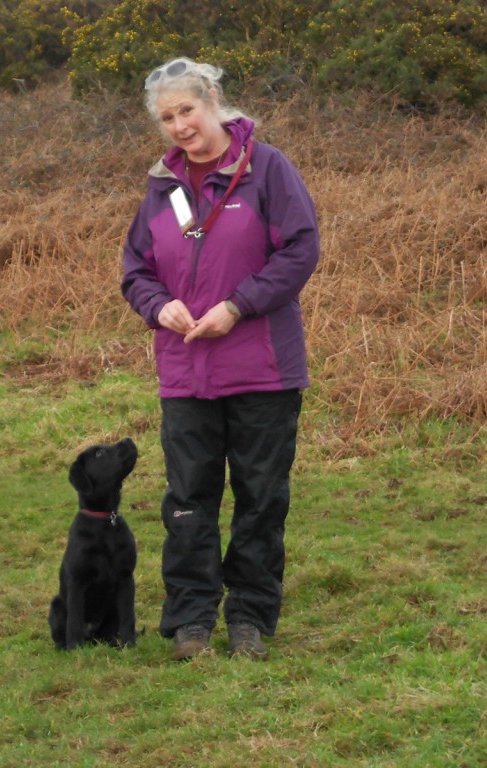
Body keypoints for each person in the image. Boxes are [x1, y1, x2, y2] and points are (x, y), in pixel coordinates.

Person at [121, 57, 321, 660]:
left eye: (186, 110)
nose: (179, 126)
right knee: (187, 499)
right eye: (166, 118)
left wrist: (237, 306)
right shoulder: (161, 186)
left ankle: (251, 622)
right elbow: (135, 272)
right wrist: (159, 308)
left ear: (213, 101)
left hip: (263, 370)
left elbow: (300, 250)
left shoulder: (268, 169)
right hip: (185, 375)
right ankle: (190, 624)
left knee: (261, 500)